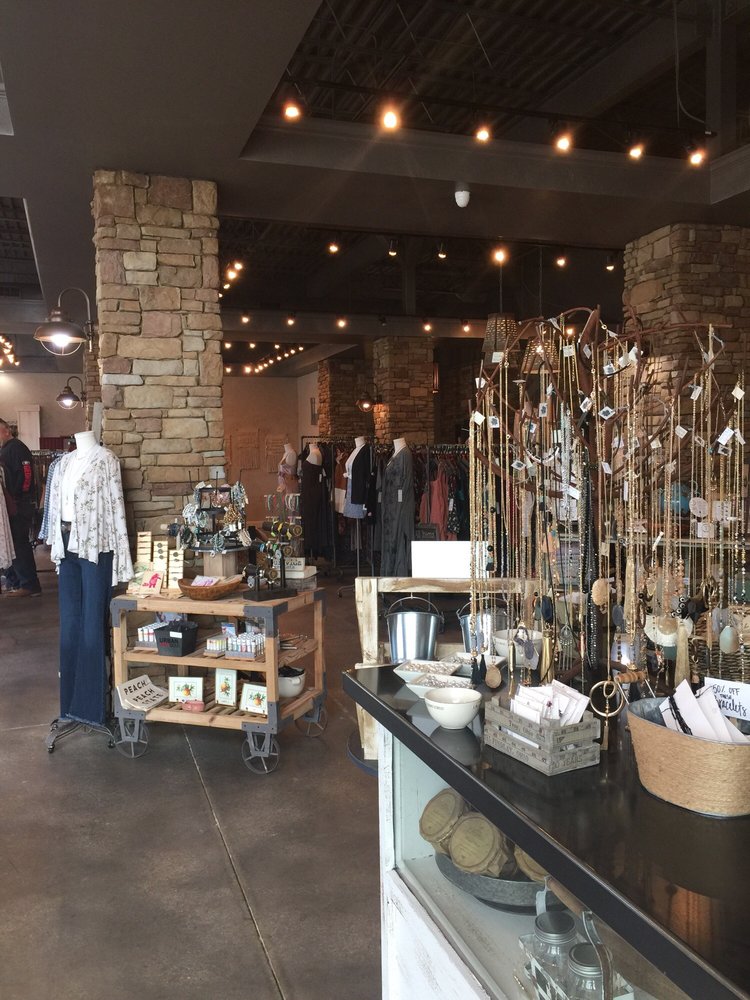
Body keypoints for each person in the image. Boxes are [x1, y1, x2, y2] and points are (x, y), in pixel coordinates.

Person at [0, 418, 41, 597]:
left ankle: (29, 584)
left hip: (18, 504)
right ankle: (17, 581)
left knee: (19, 544)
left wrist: (19, 497)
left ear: (7, 430)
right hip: (12, 504)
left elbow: (26, 474)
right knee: (13, 543)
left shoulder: (16, 448)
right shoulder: (7, 449)